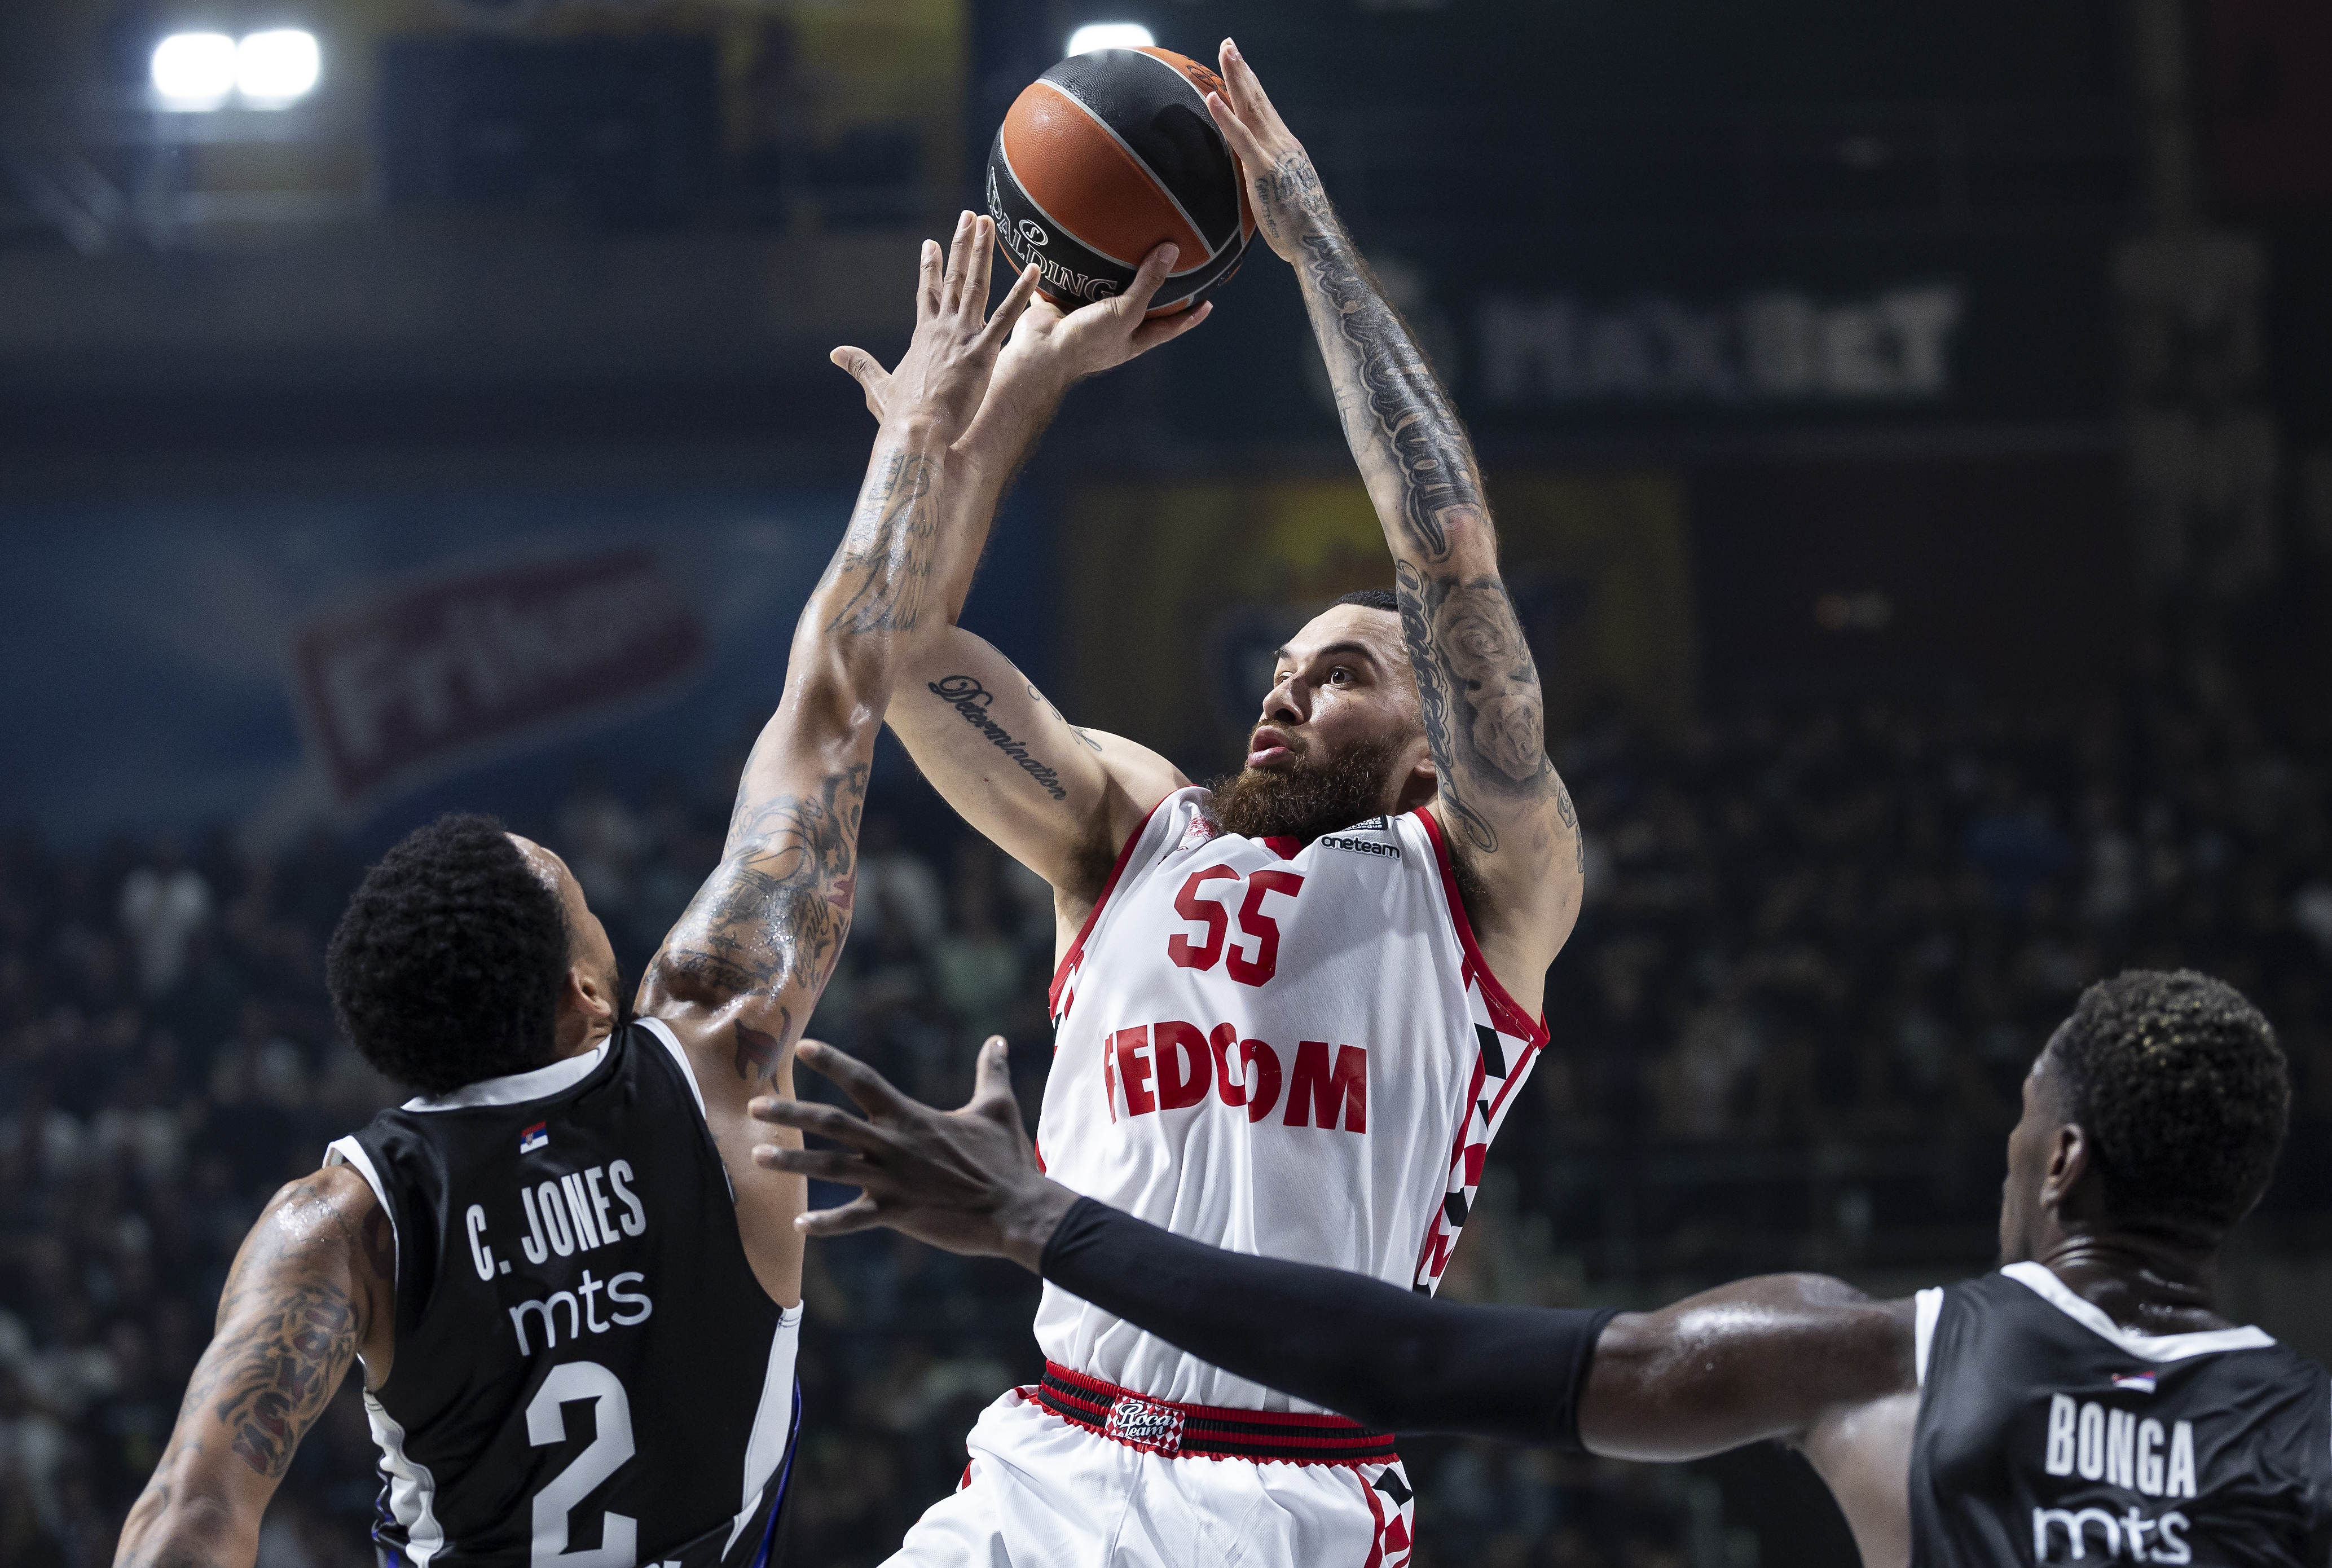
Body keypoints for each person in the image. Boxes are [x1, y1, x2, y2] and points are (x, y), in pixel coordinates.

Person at [109, 215, 1042, 1568]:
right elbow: (840, 699)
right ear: (585, 990)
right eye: (584, 899)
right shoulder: (726, 1051)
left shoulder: (341, 1218)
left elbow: (192, 1518)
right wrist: (928, 425)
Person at [824, 36, 1583, 1567]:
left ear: (1431, 739)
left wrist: (1311, 248)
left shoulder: (1484, 880)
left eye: (1347, 668)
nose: (1289, 686)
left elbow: (1446, 554)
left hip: (1280, 1488)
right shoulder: (1130, 830)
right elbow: (880, 657)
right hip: (1040, 1459)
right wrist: (987, 413)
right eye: (1283, 662)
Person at [757, 968, 2332, 1568]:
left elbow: (1413, 1363)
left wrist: (1041, 1221)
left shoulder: (1879, 1355)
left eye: (2017, 1130)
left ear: (2055, 1162)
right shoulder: (2304, 1436)